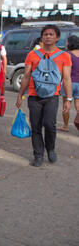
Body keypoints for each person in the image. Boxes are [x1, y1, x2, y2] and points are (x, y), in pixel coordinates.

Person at [16, 25, 72, 167]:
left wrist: (68, 99)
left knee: (49, 124)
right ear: (42, 37)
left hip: (52, 96)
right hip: (34, 96)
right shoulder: (32, 55)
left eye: (51, 34)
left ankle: (51, 149)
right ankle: (38, 155)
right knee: (35, 126)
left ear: (57, 37)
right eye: (45, 34)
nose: (48, 36)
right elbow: (26, 76)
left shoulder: (64, 56)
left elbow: (66, 79)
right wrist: (20, 95)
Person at [58, 35, 79, 132]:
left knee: (66, 105)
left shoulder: (67, 55)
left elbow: (63, 72)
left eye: (66, 42)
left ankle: (65, 126)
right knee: (78, 105)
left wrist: (58, 82)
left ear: (70, 43)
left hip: (69, 83)